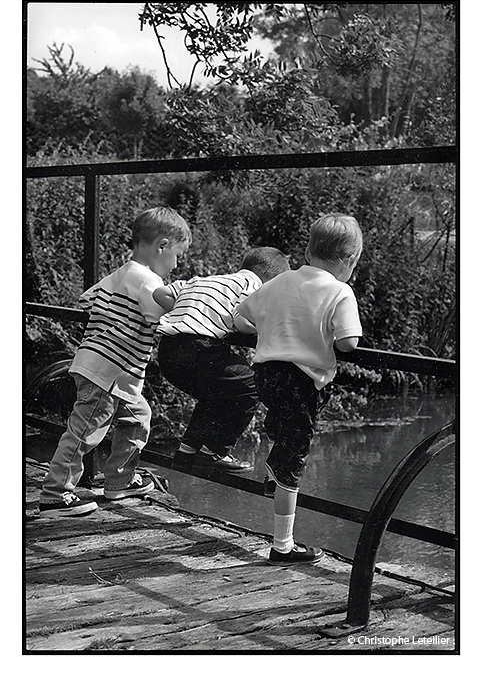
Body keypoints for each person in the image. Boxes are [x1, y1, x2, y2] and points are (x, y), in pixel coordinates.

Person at [39, 207, 192, 518]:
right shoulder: (149, 282)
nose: (177, 264)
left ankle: (120, 480)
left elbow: (86, 300)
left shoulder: (120, 274)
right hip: (108, 371)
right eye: (177, 255)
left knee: (138, 416)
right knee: (84, 431)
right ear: (161, 246)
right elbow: (169, 313)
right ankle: (55, 494)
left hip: (104, 369)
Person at [234, 214, 363, 564]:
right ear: (349, 261)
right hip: (301, 381)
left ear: (308, 250)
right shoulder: (340, 290)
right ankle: (283, 546)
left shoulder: (280, 281)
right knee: (295, 459)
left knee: (283, 429)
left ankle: (274, 470)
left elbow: (239, 317)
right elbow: (349, 342)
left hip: (266, 373)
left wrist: (266, 329)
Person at [153, 247, 291, 473]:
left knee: (214, 396)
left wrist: (189, 313)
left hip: (168, 351)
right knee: (250, 388)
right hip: (200, 347)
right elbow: (240, 321)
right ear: (272, 281)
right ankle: (215, 452)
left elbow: (159, 294)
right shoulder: (252, 286)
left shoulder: (205, 280)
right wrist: (261, 328)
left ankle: (187, 452)